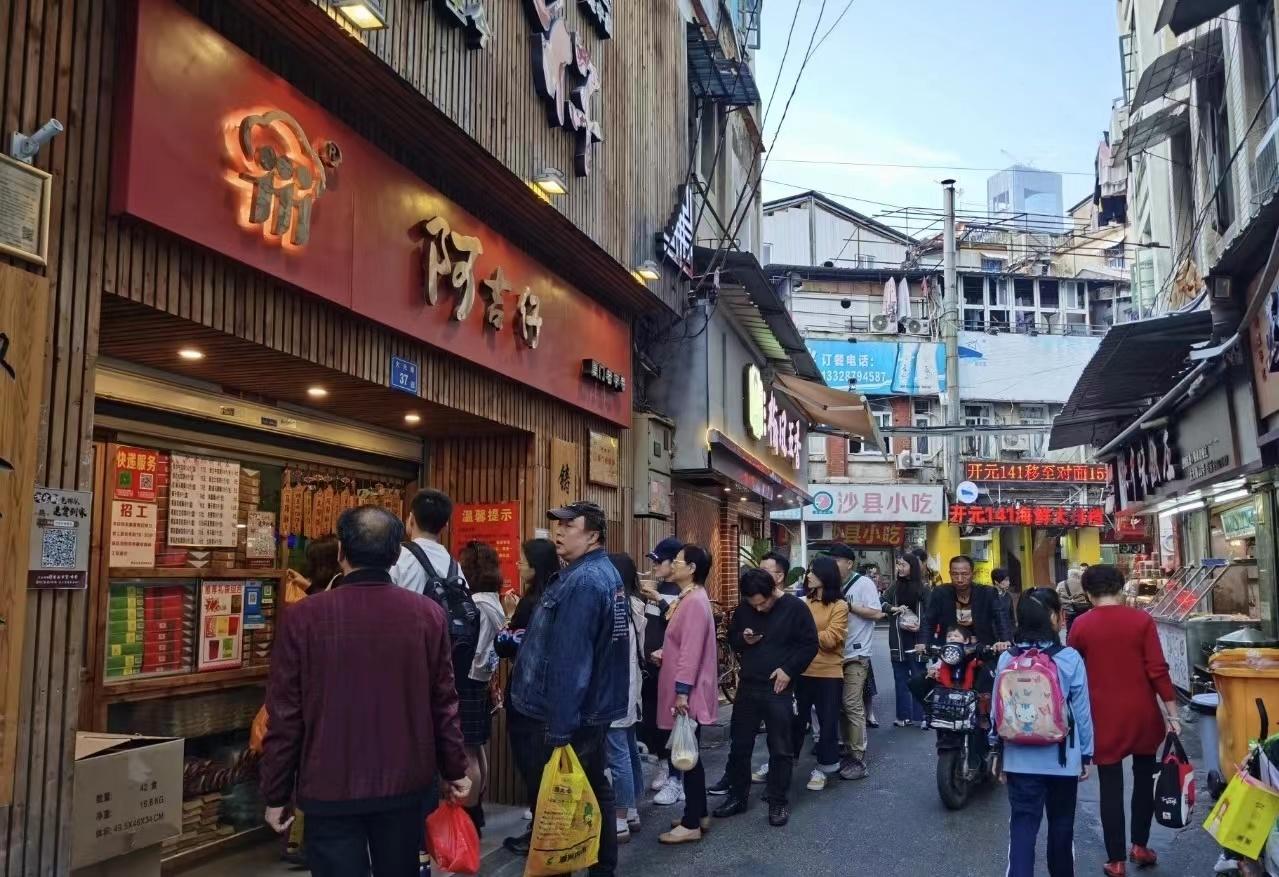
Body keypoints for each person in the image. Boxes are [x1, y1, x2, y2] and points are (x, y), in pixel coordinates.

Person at [260, 506, 470, 876]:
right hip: (406, 782)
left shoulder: (304, 617)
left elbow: (286, 713)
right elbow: (444, 703)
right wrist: (454, 768)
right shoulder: (426, 615)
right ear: (394, 555)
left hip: (329, 783)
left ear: (341, 551)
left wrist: (277, 792)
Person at [511, 501, 628, 877]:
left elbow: (572, 661)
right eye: (557, 525)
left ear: (593, 535)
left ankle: (561, 869)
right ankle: (602, 868)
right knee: (594, 788)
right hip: (586, 710)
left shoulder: (584, 582)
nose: (559, 531)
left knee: (557, 801)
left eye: (569, 525)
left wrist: (560, 728)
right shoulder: (595, 574)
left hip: (563, 714)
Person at [1068, 564, 1180, 876]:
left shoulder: (1081, 625)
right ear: (1121, 588)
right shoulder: (1141, 620)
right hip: (1142, 713)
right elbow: (1157, 668)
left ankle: (1116, 859)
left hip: (1102, 716)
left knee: (1110, 787)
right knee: (1145, 779)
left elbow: (1073, 674)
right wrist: (1172, 712)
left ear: (1088, 594)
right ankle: (1140, 846)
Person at [994, 588, 1094, 877]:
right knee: (1062, 828)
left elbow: (996, 714)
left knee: (1023, 829)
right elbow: (1083, 712)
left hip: (1019, 759)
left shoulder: (1006, 659)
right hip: (1063, 759)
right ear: (1054, 617)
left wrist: (998, 754)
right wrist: (1086, 754)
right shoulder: (1069, 658)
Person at [714, 568, 817, 828]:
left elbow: (809, 644)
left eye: (763, 602)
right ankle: (737, 796)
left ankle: (778, 800)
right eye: (753, 604)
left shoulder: (795, 608)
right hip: (748, 685)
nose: (758, 609)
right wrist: (744, 639)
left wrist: (789, 670)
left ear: (773, 590)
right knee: (740, 745)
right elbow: (734, 641)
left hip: (779, 688)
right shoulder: (743, 610)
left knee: (781, 748)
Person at [496, 538, 559, 856]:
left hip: (526, 698)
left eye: (522, 561)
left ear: (535, 567)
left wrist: (508, 617)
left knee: (533, 767)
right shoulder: (557, 595)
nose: (518, 566)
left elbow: (506, 645)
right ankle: (544, 831)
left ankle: (539, 834)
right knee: (543, 768)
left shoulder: (532, 603)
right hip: (549, 698)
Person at [654, 545, 719, 844]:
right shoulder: (690, 598)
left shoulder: (693, 601)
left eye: (678, 561)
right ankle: (699, 811)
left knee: (686, 755)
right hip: (686, 686)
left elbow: (691, 651)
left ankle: (692, 822)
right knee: (689, 754)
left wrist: (681, 693)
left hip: (687, 692)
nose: (674, 564)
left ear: (691, 568)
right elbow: (684, 646)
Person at [456, 540, 508, 836]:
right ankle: (477, 809)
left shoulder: (476, 604)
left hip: (469, 677)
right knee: (475, 747)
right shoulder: (493, 600)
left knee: (467, 751)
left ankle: (470, 815)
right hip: (482, 678)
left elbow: (470, 645)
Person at [791, 556, 848, 791]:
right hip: (801, 670)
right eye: (808, 573)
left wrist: (805, 632)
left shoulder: (840, 605)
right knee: (794, 720)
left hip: (829, 672)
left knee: (827, 723)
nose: (808, 576)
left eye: (813, 572)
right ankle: (784, 762)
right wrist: (813, 633)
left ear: (825, 576)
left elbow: (833, 639)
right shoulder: (802, 602)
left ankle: (825, 768)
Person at [830, 543, 881, 780]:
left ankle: (858, 756)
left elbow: (876, 612)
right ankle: (846, 746)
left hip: (857, 654)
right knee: (839, 704)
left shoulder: (864, 584)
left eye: (837, 561)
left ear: (849, 563)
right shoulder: (829, 583)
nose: (833, 565)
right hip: (833, 653)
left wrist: (849, 606)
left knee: (851, 703)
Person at [606, 552, 647, 844]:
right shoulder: (636, 605)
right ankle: (632, 808)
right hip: (632, 691)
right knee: (629, 749)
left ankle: (620, 816)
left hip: (616, 690)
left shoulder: (616, 607)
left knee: (618, 752)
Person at [640, 536, 685, 807]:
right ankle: (662, 764)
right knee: (652, 716)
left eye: (659, 561)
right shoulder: (656, 588)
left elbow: (680, 628)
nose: (654, 566)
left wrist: (659, 598)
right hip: (651, 666)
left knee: (672, 720)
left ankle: (674, 773)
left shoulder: (681, 593)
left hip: (671, 668)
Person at [921, 555, 1013, 650]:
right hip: (949, 649)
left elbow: (1001, 618)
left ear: (973, 574)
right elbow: (928, 620)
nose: (959, 579)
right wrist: (924, 643)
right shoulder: (940, 592)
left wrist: (1005, 640)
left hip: (983, 648)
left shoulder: (987, 593)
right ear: (950, 574)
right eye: (955, 574)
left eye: (964, 574)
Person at [886, 552, 927, 728]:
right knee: (900, 678)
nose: (900, 568)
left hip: (918, 640)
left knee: (919, 679)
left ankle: (922, 716)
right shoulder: (894, 588)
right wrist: (893, 608)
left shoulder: (924, 589)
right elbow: (879, 602)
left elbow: (933, 614)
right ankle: (903, 716)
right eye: (899, 565)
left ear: (912, 567)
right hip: (899, 639)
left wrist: (921, 626)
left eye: (903, 565)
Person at [1057, 567, 1089, 632]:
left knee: (1069, 630)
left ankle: (1070, 641)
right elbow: (1087, 594)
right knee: (1084, 628)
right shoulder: (1082, 583)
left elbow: (1056, 595)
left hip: (1069, 609)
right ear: (1078, 574)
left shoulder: (1061, 584)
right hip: (1082, 608)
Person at [992, 566, 1015, 642]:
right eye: (1005, 580)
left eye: (1008, 580)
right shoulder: (988, 596)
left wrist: (1012, 635)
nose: (1008, 583)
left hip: (1008, 637)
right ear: (996, 581)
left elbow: (1012, 618)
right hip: (994, 638)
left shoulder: (1008, 596)